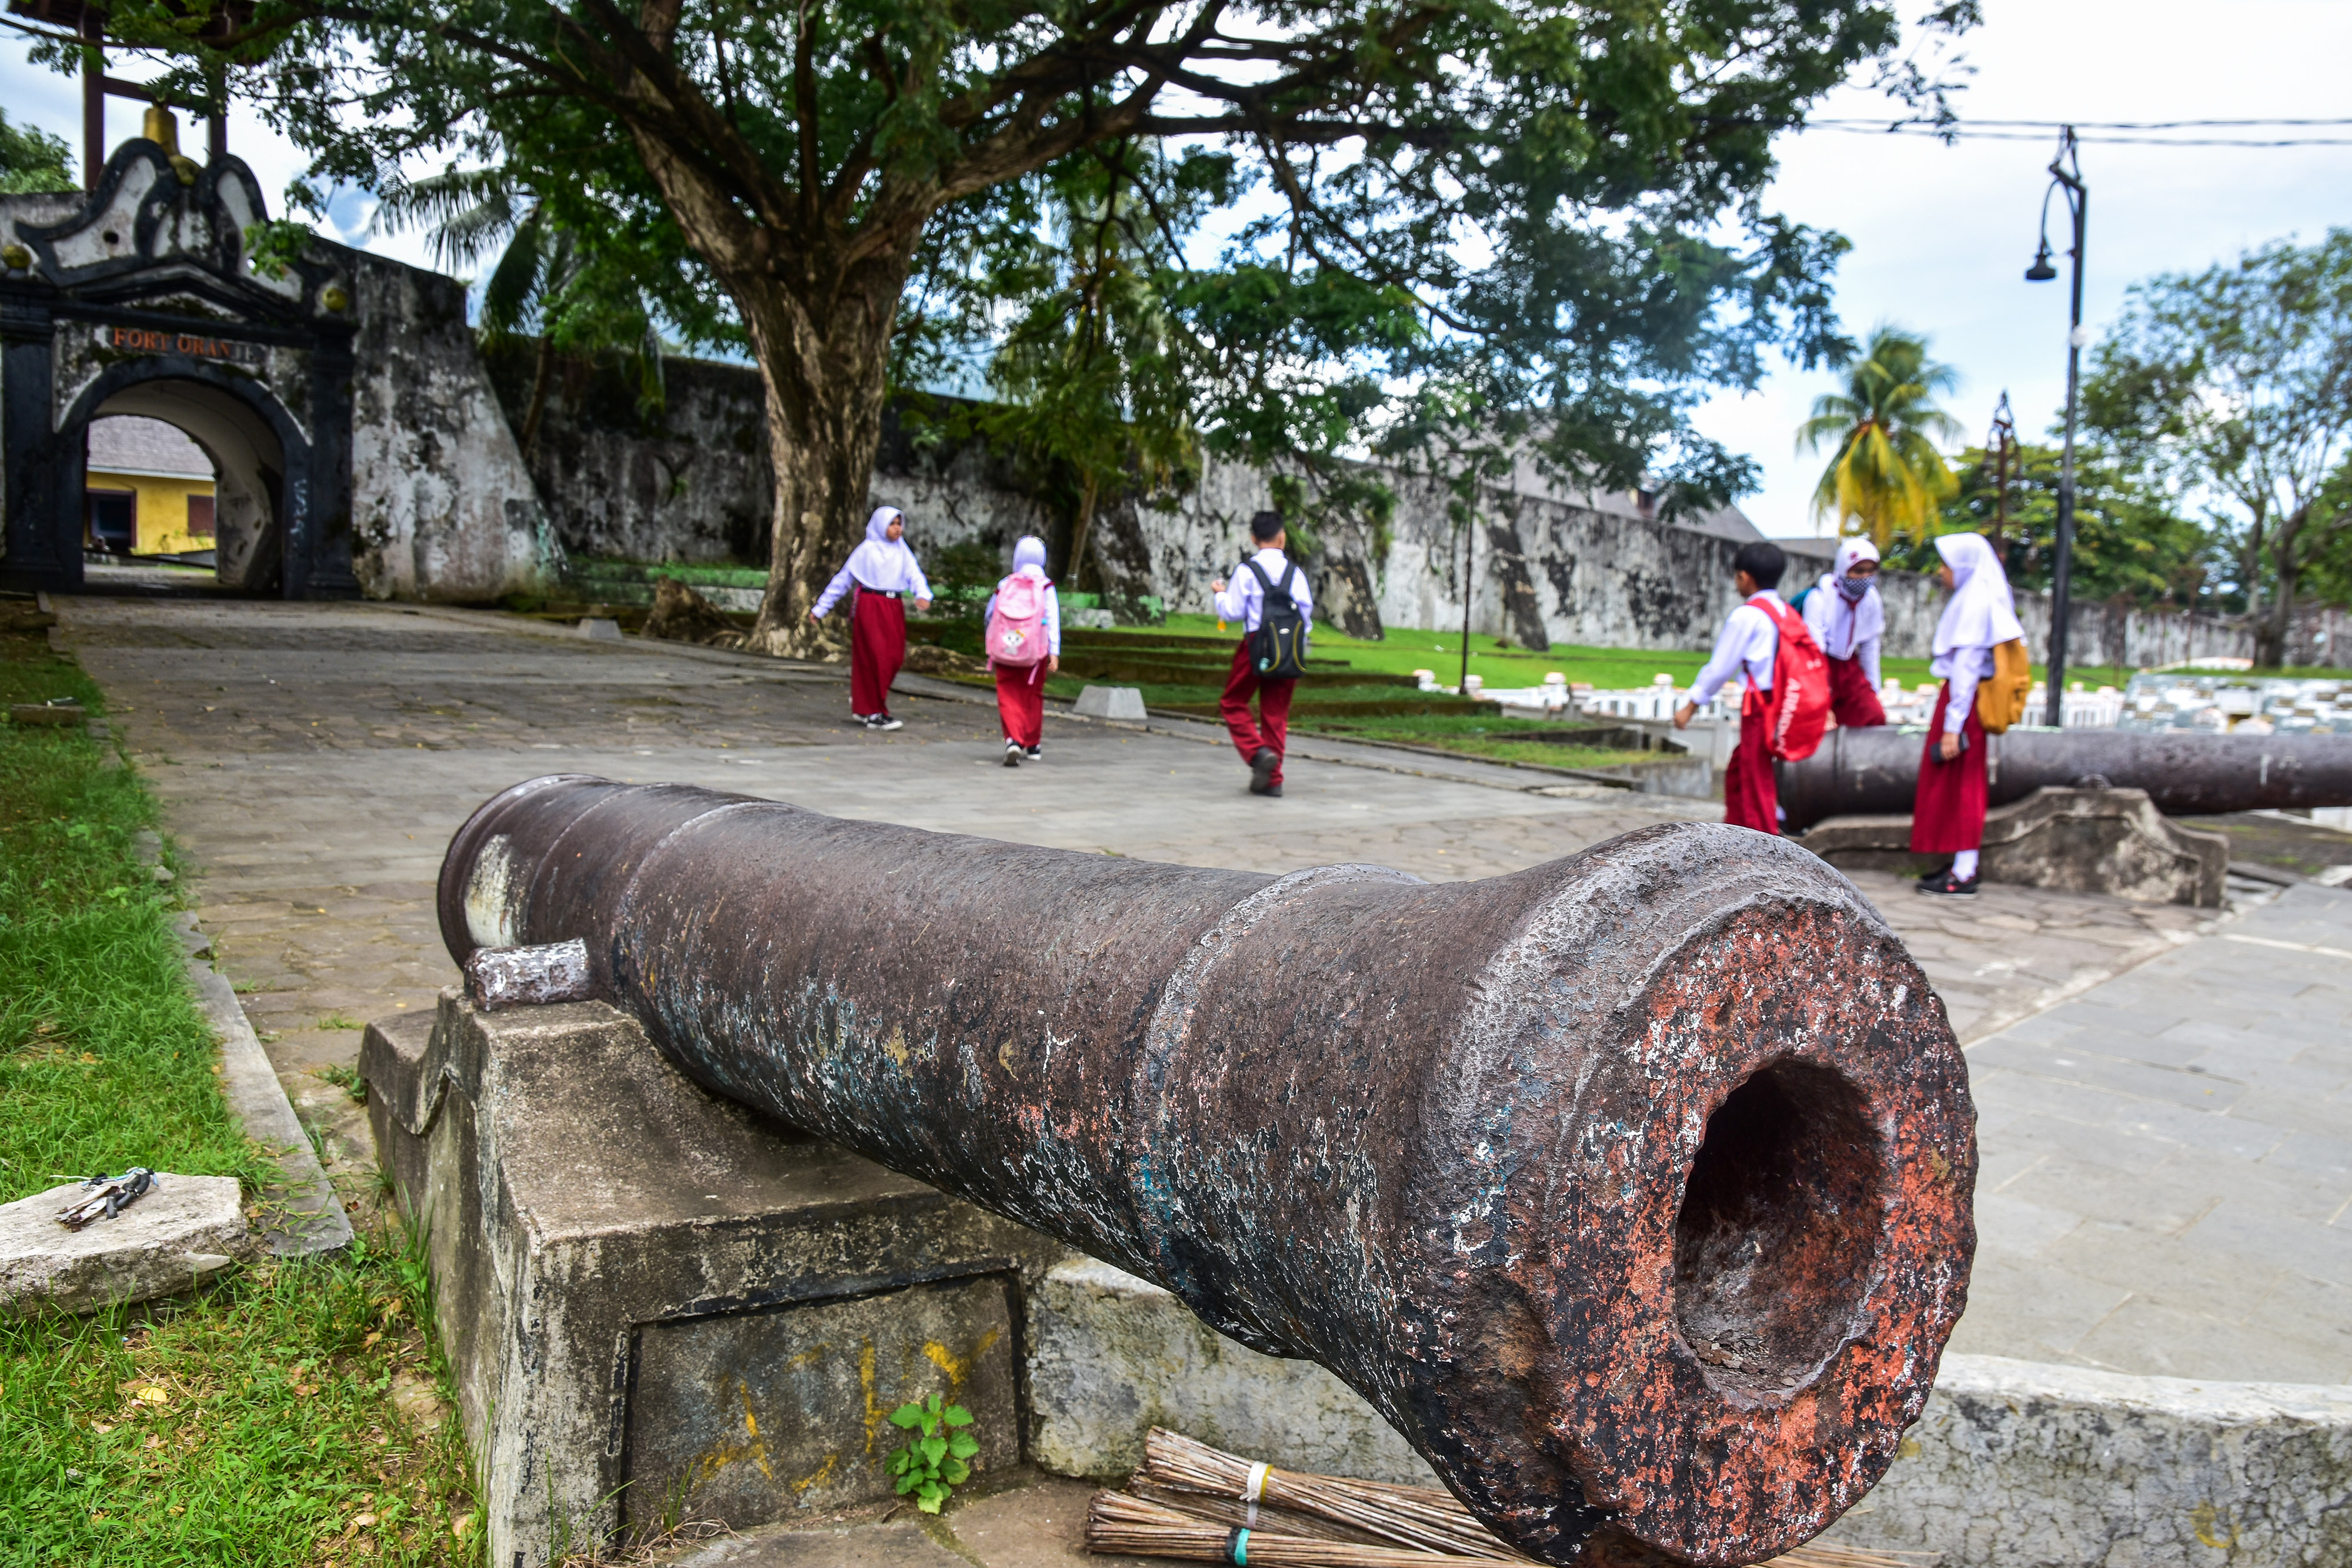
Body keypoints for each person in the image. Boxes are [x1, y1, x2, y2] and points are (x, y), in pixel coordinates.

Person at [1913, 532, 2023, 897]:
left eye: (1947, 564)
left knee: (1963, 785)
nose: (1942, 572)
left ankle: (1965, 870)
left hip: (1965, 706)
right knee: (1958, 784)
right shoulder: (1979, 596)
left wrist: (1952, 727)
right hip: (1967, 704)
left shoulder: (1975, 601)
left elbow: (1966, 670)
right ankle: (1962, 861)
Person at [1674, 540, 1792, 834]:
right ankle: (1734, 834)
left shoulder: (1748, 615)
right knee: (1741, 771)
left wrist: (1691, 705)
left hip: (1762, 704)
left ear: (1745, 577)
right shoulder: (1786, 612)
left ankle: (1764, 845)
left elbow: (1721, 667)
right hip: (1786, 701)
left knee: (1755, 779)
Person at [1211, 510, 1313, 797]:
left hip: (1256, 645)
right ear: (1283, 538)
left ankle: (1257, 754)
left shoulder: (1247, 571)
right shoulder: (1297, 574)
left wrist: (1220, 593)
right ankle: (1274, 780)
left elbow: (1232, 612)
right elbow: (1306, 617)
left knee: (1232, 702)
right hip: (1289, 647)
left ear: (1254, 538)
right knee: (1275, 714)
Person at [810, 505, 933, 731]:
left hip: (893, 606)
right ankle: (874, 711)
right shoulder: (865, 551)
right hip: (870, 605)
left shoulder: (902, 551)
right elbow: (843, 580)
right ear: (880, 525)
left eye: (899, 524)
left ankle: (866, 704)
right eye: (892, 524)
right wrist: (821, 608)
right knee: (875, 657)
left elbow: (914, 574)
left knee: (894, 657)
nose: (897, 529)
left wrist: (923, 594)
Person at [982, 536, 1060, 767]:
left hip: (1006, 648)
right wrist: (1054, 651)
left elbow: (990, 614)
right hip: (1035, 652)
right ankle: (1033, 743)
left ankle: (1013, 740)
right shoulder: (1046, 586)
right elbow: (1053, 619)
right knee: (1032, 695)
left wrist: (992, 640)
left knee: (1008, 694)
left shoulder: (1006, 583)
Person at [1802, 537, 1888, 729]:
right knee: (1818, 722)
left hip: (1848, 667)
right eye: (1858, 571)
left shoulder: (1872, 599)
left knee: (1872, 715)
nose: (1865, 577)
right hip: (1820, 665)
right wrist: (1822, 697)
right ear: (1843, 569)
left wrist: (1874, 691)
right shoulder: (1820, 597)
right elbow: (1815, 650)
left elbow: (1870, 647)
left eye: (1870, 571)